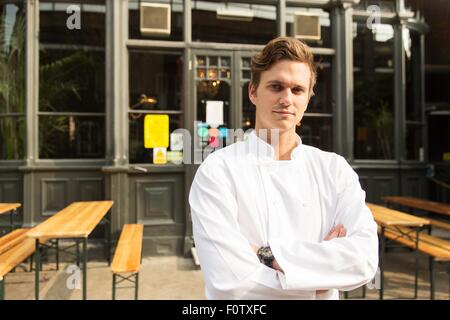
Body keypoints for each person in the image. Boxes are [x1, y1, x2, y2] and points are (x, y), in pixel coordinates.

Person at [188, 37, 379, 300]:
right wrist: (320, 279)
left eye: (297, 90)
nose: (286, 99)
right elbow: (230, 283)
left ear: (308, 99)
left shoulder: (333, 169)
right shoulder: (218, 171)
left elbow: (364, 261)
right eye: (276, 87)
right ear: (253, 92)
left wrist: (264, 255)